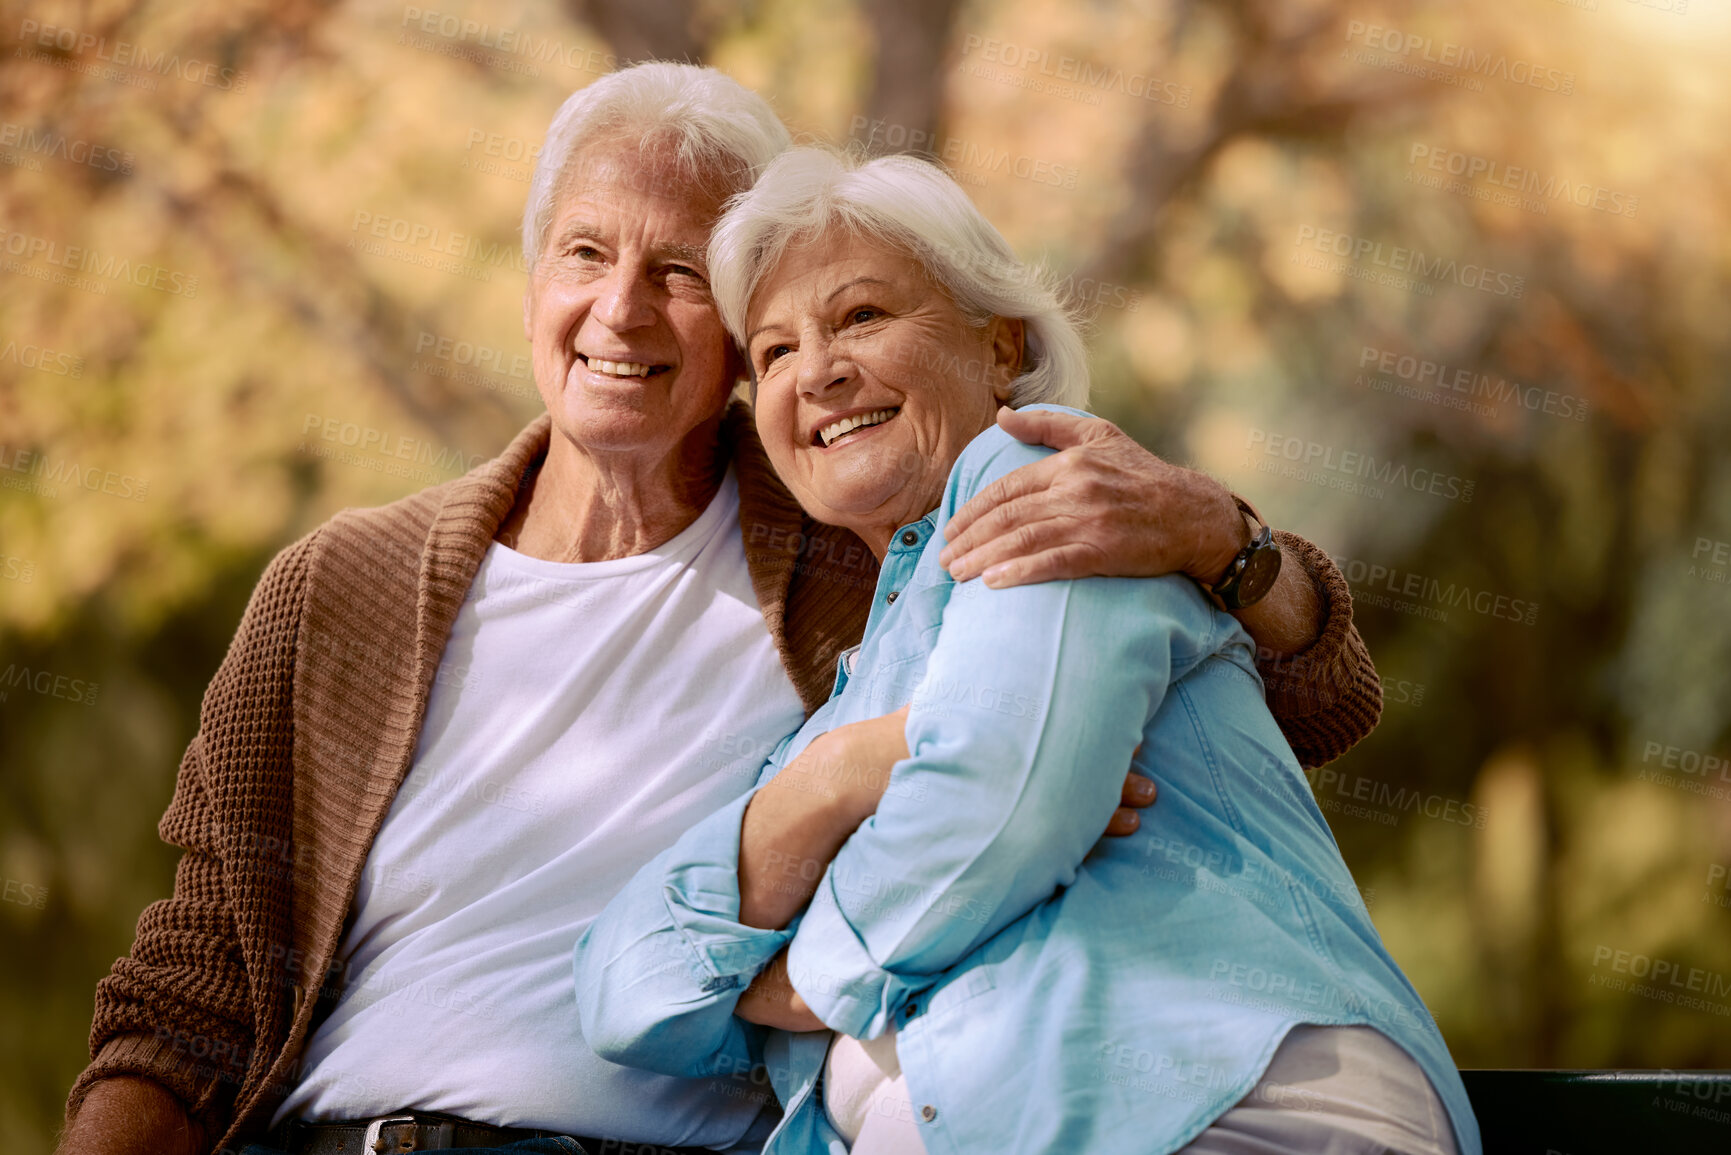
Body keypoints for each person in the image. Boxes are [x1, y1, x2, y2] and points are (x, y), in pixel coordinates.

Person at [59, 65, 1381, 1155]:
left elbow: (1312, 698)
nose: (617, 309)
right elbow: (188, 996)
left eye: (681, 272)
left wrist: (1227, 537)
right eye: (585, 251)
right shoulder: (337, 588)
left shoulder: (866, 536)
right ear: (534, 281)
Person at [574, 146, 1481, 1155]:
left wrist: (797, 977)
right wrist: (837, 775)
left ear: (1001, 348)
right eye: (774, 354)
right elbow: (621, 989)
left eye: (862, 316)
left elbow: (1004, 797)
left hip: (1228, 1108)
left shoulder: (1055, 488)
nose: (819, 371)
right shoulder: (841, 706)